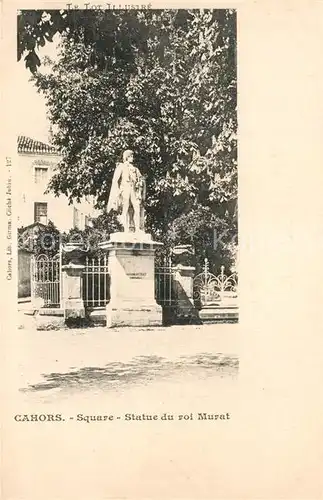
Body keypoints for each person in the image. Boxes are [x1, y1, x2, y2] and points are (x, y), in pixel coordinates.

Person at [107, 150, 146, 232]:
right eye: (131, 156)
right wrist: (117, 191)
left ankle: (138, 228)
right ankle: (125, 229)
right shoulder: (121, 166)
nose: (132, 158)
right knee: (125, 208)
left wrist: (140, 183)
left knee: (137, 207)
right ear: (127, 157)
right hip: (125, 189)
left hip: (133, 190)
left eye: (132, 156)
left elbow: (141, 179)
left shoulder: (135, 169)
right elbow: (115, 180)